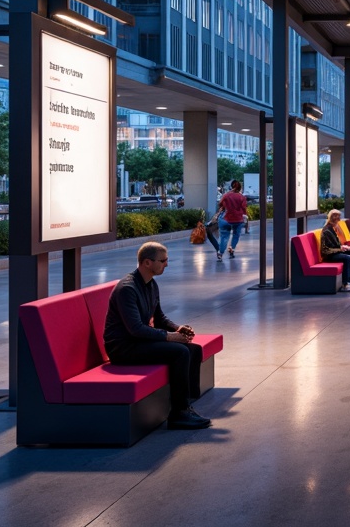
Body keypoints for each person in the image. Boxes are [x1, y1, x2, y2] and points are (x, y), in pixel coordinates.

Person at [103, 241, 211, 429]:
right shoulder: (127, 289)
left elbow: (159, 318)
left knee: (192, 349)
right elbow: (135, 328)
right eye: (163, 260)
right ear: (147, 263)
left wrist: (178, 329)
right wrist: (169, 337)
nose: (166, 264)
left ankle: (185, 405)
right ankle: (178, 415)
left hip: (138, 342)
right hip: (123, 348)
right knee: (180, 352)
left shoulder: (151, 284)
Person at [321, 209, 350, 291]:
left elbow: (335, 244)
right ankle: (345, 284)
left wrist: (342, 247)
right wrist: (340, 248)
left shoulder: (332, 229)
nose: (339, 220)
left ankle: (348, 281)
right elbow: (326, 249)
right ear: (334, 219)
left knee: (349, 254)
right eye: (338, 218)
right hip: (329, 255)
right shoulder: (327, 231)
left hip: (333, 252)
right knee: (347, 258)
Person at [217, 179, 248, 259]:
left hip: (226, 219)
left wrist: (225, 206)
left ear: (231, 186)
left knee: (224, 236)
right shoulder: (242, 197)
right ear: (240, 188)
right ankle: (232, 249)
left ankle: (220, 253)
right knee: (236, 235)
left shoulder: (226, 195)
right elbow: (244, 209)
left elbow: (220, 204)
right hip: (238, 219)